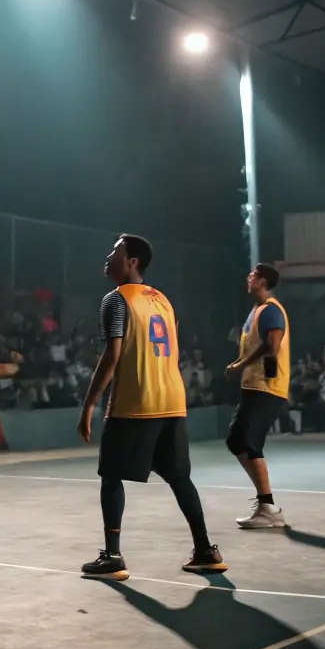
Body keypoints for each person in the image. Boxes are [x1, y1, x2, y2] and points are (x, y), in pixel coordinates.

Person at [76, 234, 225, 581]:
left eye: (115, 251)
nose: (108, 255)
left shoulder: (116, 300)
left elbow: (112, 356)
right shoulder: (163, 301)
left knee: (111, 475)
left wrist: (89, 404)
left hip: (136, 401)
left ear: (132, 262)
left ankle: (112, 556)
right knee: (179, 477)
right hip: (172, 400)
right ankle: (206, 549)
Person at [225, 263, 290, 529]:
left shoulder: (271, 310)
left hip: (267, 386)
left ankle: (268, 506)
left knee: (247, 440)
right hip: (254, 385)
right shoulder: (257, 311)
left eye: (252, 275)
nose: (248, 278)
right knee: (237, 440)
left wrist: (241, 364)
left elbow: (272, 346)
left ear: (262, 281)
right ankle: (266, 503)